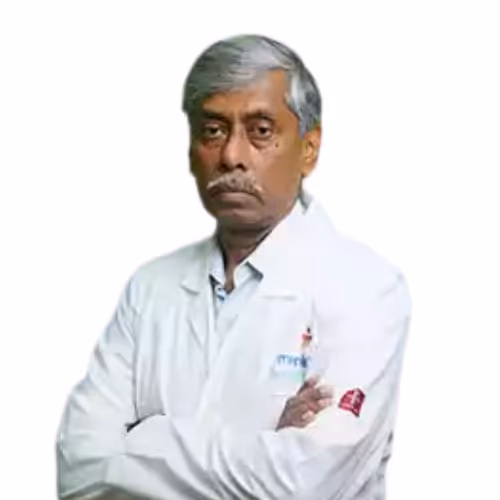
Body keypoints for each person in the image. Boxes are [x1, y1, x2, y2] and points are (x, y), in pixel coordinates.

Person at [56, 34, 412, 500]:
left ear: (309, 148)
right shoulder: (150, 288)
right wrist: (264, 441)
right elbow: (78, 472)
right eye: (213, 130)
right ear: (190, 149)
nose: (231, 156)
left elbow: (303, 485)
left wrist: (145, 435)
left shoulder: (367, 287)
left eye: (260, 130)